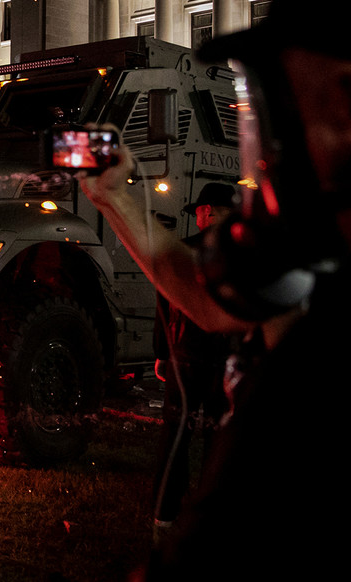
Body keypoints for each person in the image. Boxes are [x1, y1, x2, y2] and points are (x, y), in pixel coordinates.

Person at [77, 0, 350, 577]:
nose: (258, 133)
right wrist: (117, 199)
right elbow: (205, 298)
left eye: (268, 100)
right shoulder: (302, 260)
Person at [150, 183, 236, 546]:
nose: (203, 214)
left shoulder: (187, 250)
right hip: (212, 357)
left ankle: (166, 515)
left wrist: (161, 352)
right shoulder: (240, 255)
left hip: (191, 358)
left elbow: (164, 301)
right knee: (214, 439)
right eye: (201, 210)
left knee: (179, 437)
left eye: (206, 209)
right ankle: (196, 515)